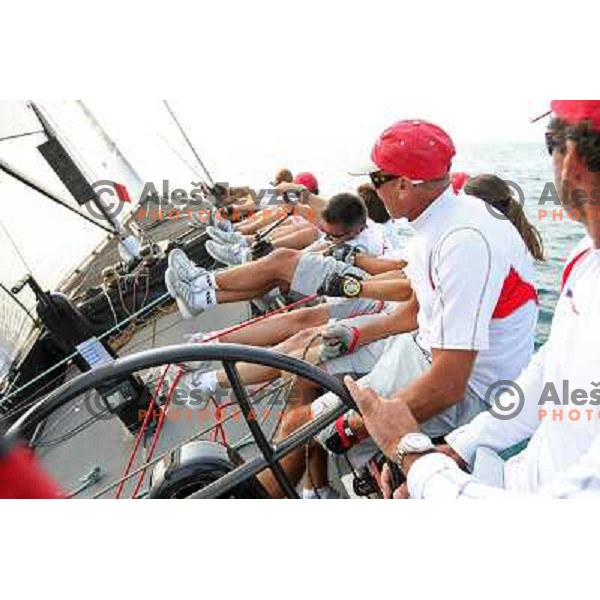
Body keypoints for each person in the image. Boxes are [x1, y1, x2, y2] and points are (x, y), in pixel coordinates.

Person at [260, 120, 542, 499]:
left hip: (469, 386)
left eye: (377, 180)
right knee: (306, 374)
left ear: (405, 185)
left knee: (302, 427)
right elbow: (415, 311)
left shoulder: (463, 241)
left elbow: (448, 384)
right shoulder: (443, 218)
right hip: (424, 350)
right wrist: (357, 333)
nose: (372, 191)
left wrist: (356, 427)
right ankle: (324, 486)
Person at [347, 100, 600, 499]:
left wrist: (420, 466)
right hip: (515, 474)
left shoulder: (464, 239)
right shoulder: (586, 258)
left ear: (570, 165)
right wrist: (461, 446)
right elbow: (545, 373)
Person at [165, 192, 391, 320]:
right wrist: (295, 197)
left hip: (339, 295)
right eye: (328, 233)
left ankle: (202, 280)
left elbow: (323, 256)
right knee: (275, 274)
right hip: (322, 279)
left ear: (355, 231)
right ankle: (200, 299)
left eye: (335, 236)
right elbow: (302, 199)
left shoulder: (364, 246)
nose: (329, 237)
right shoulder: (356, 222)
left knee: (279, 263)